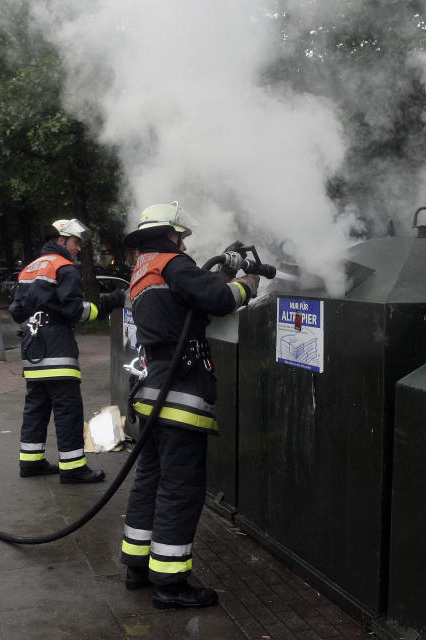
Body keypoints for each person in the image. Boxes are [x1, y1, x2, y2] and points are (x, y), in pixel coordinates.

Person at [118, 202, 259, 609]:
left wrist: (221, 270)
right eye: (180, 236)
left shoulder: (144, 269)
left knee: (150, 480)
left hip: (151, 390)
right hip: (180, 391)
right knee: (180, 488)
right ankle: (171, 582)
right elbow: (216, 298)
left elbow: (187, 302)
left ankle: (137, 566)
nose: (182, 243)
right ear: (170, 234)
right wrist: (246, 283)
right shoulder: (174, 262)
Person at [9, 219, 125, 483]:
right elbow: (75, 311)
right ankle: (73, 468)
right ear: (61, 241)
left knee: (36, 408)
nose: (78, 249)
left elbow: (17, 311)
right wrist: (108, 303)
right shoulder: (65, 268)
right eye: (75, 242)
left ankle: (31, 462)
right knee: (67, 410)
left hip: (32, 349)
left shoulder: (29, 268)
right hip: (57, 350)